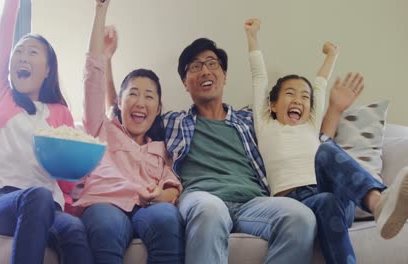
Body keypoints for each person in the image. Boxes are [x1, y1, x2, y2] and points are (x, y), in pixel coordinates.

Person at [245, 17, 408, 264]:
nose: (298, 100)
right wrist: (252, 36)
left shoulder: (312, 128)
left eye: (304, 97)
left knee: (325, 151)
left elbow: (319, 87)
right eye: (290, 94)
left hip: (333, 193)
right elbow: (259, 77)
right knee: (327, 199)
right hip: (295, 203)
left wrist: (332, 55)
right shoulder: (266, 124)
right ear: (272, 105)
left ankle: (378, 203)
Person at [160, 37, 319, 263]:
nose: (205, 70)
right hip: (203, 197)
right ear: (185, 82)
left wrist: (333, 109)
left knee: (301, 216)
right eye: (195, 66)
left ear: (224, 76)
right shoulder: (173, 122)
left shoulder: (251, 120)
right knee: (210, 210)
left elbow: (302, 131)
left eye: (212, 63)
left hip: (253, 202)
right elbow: (122, 116)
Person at [0, 0, 93, 263]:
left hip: (49, 207)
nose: (22, 57)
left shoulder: (60, 112)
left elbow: (66, 178)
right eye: (19, 52)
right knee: (37, 196)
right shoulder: (1, 95)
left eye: (32, 52)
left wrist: (78, 178)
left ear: (48, 70)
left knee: (75, 230)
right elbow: (3, 38)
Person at [72, 1, 184, 263]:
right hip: (105, 204)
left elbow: (172, 188)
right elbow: (93, 80)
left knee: (168, 218)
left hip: (149, 208)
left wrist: (160, 196)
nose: (140, 102)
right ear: (119, 103)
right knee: (105, 224)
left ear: (158, 108)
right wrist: (100, 14)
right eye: (133, 94)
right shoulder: (100, 129)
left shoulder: (160, 148)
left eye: (149, 96)